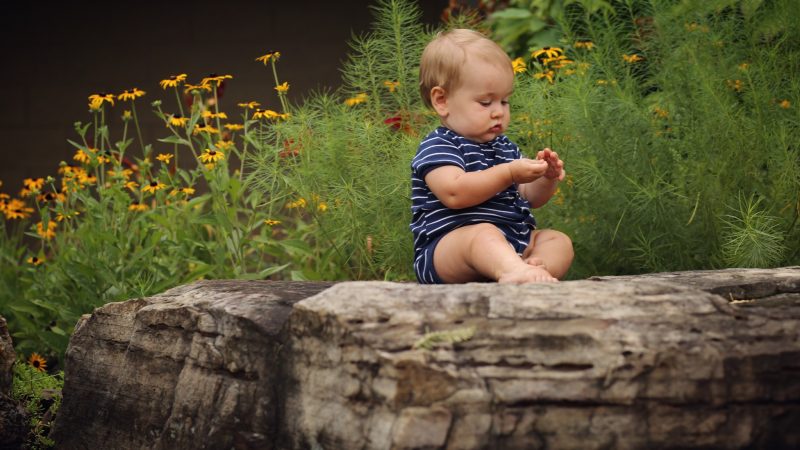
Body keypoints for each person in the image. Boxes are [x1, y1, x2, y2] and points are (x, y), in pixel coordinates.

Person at [410, 28, 574, 284]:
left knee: (557, 240)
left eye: (504, 101)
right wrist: (509, 173)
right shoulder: (439, 145)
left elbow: (530, 197)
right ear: (442, 100)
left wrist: (546, 178)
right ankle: (513, 270)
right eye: (486, 103)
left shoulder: (504, 146)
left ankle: (534, 268)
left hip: (513, 240)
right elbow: (455, 193)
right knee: (483, 234)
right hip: (449, 248)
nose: (498, 112)